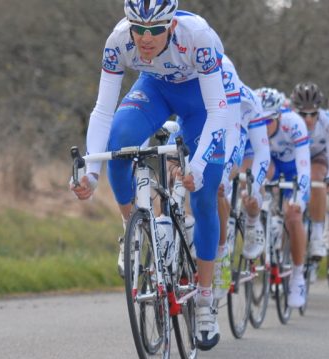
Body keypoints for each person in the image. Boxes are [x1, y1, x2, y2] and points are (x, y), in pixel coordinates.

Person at [70, 1, 231, 350]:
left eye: (155, 30)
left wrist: (199, 166)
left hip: (202, 102)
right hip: (154, 88)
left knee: (204, 196)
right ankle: (134, 231)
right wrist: (91, 173)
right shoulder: (117, 41)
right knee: (121, 142)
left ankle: (204, 300)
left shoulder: (198, 36)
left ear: (171, 26)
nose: (145, 38)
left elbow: (219, 110)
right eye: (137, 29)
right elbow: (102, 109)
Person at [212, 56, 270, 299]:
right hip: (210, 134)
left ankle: (223, 252)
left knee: (222, 186)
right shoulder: (196, 85)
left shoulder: (248, 99)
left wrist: (252, 187)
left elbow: (261, 152)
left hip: (242, 143)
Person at [265, 88, 312, 308]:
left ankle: (298, 276)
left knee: (293, 216)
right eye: (259, 121)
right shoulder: (252, 124)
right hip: (270, 167)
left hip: (295, 171)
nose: (263, 127)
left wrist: (299, 200)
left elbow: (305, 167)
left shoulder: (294, 123)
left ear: (278, 116)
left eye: (269, 121)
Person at [290, 82, 329, 269]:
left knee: (317, 177)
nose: (309, 119)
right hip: (292, 156)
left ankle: (318, 235)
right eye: (303, 114)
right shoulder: (286, 119)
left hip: (317, 157)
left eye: (313, 114)